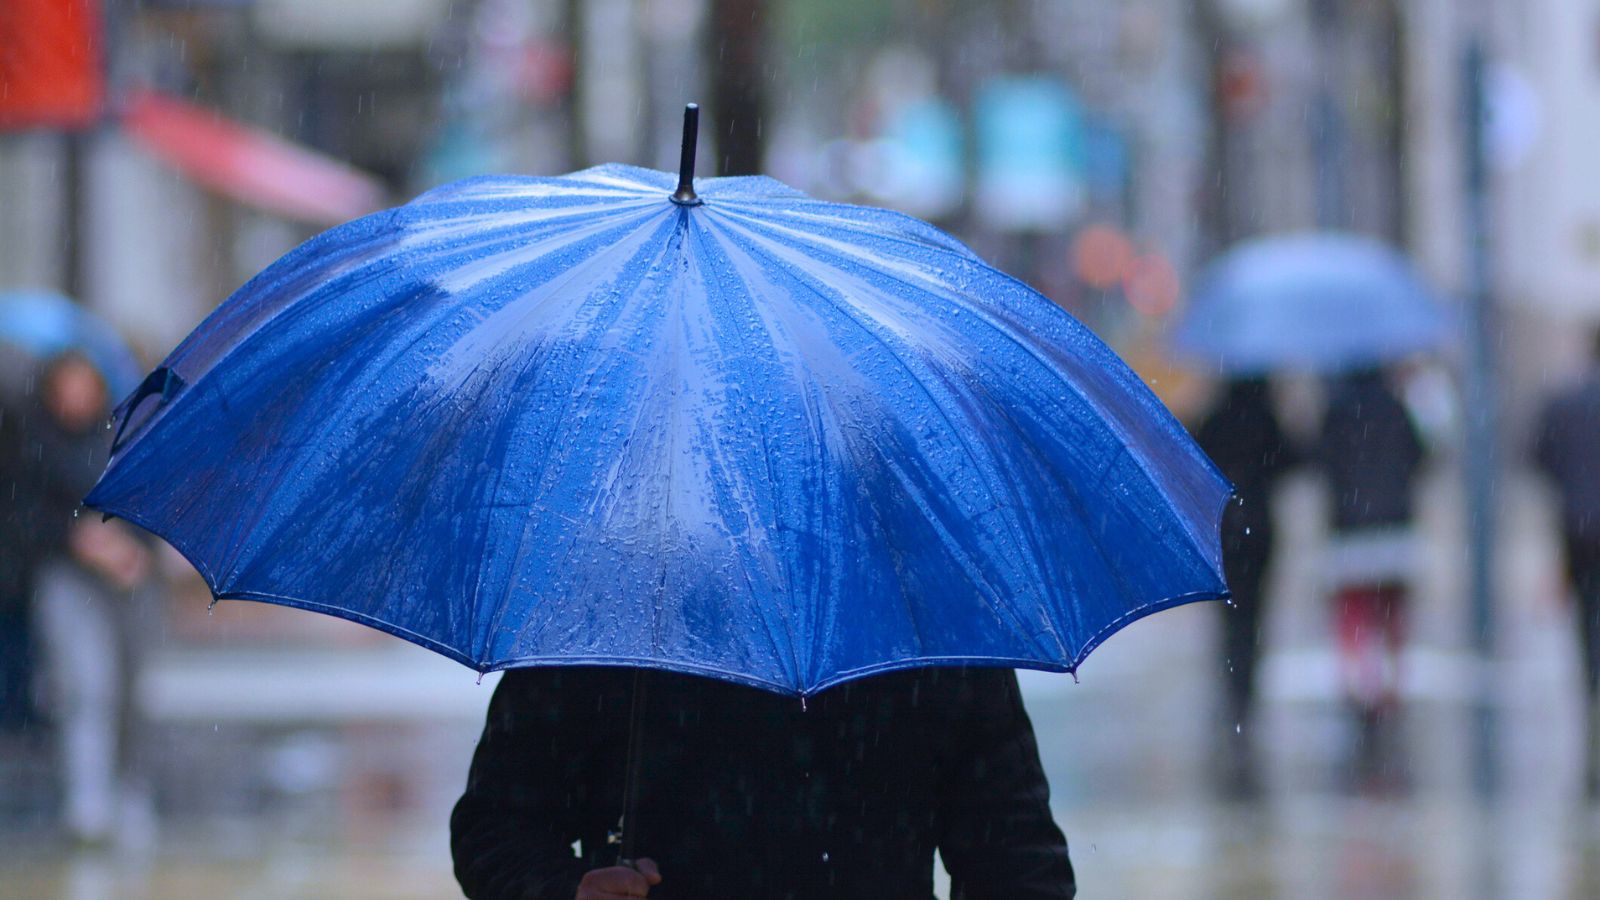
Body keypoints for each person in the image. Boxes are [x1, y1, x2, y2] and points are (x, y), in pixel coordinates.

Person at [451, 665, 1075, 899]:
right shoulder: (608, 624)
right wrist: (568, 890)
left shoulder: (931, 633)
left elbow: (1017, 865)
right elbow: (496, 828)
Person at [0, 348, 154, 841]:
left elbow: (152, 506)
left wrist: (133, 550)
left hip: (128, 583)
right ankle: (87, 801)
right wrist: (76, 538)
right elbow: (21, 522)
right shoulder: (29, 445)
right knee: (85, 686)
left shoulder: (123, 439)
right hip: (65, 580)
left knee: (131, 690)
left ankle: (128, 789)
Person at [1317, 366, 1425, 783]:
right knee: (1390, 609)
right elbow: (1421, 456)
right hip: (1394, 522)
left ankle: (1358, 686)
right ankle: (1391, 687)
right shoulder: (1398, 407)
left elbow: (1321, 460)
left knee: (1354, 609)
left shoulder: (1336, 410)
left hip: (1350, 524)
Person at [1192, 376, 1299, 795]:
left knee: (1228, 615)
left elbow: (1194, 461)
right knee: (1254, 614)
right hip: (1260, 530)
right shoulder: (1267, 419)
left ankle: (1232, 687)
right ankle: (1246, 689)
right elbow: (1292, 462)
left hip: (1224, 533)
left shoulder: (1215, 420)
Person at [1532, 330, 1600, 796]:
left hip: (1577, 524)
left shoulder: (1564, 401)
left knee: (1586, 609)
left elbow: (1538, 457)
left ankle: (1592, 681)